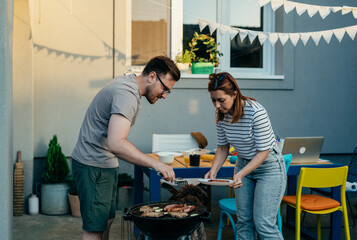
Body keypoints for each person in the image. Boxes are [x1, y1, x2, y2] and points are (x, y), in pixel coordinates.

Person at [71, 56, 180, 240]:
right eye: (165, 89)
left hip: (103, 163)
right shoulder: (127, 95)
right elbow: (117, 143)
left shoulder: (128, 83)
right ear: (152, 76)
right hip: (93, 163)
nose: (164, 95)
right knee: (94, 230)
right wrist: (157, 164)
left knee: (105, 222)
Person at [204, 72, 286, 240]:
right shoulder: (221, 115)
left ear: (234, 94)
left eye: (221, 100)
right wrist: (214, 170)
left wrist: (241, 174)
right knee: (244, 222)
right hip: (243, 163)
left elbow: (263, 152)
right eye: (213, 100)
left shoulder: (256, 112)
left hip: (269, 167)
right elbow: (222, 147)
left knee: (264, 224)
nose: (217, 105)